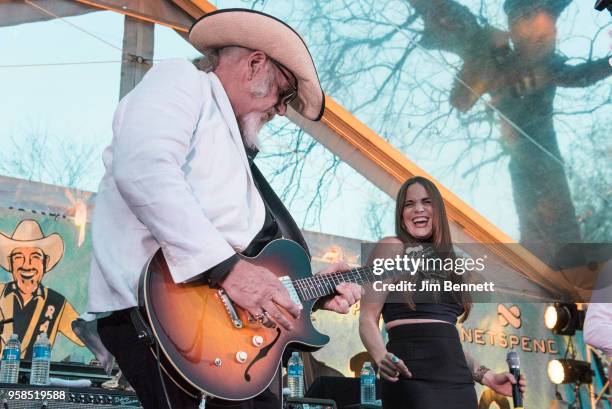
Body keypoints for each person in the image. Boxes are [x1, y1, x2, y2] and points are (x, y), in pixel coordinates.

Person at [86, 9, 362, 409]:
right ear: (254, 64)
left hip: (230, 342)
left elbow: (245, 259)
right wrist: (227, 269)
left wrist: (309, 291)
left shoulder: (230, 142)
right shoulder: (183, 80)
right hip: (165, 318)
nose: (282, 110)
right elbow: (144, 165)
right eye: (283, 94)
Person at [359, 176, 526, 409]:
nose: (418, 208)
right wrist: (380, 356)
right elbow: (367, 317)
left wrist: (488, 377)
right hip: (410, 376)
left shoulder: (452, 265)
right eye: (409, 204)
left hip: (458, 382)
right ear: (401, 214)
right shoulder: (392, 247)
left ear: (437, 211)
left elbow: (445, 339)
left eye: (426, 202)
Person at [0, 219, 83, 359]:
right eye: (19, 257)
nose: (27, 265)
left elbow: (85, 336)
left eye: (35, 257)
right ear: (10, 262)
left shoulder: (57, 302)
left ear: (45, 263)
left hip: (35, 377)